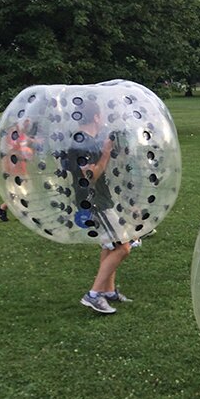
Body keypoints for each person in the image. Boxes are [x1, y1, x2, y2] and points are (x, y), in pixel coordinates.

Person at [63, 101, 133, 314]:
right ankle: (93, 295)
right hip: (95, 203)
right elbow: (90, 177)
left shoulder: (87, 140)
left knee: (109, 246)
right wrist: (105, 152)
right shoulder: (82, 144)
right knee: (123, 247)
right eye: (101, 114)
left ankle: (108, 291)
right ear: (95, 117)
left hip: (101, 200)